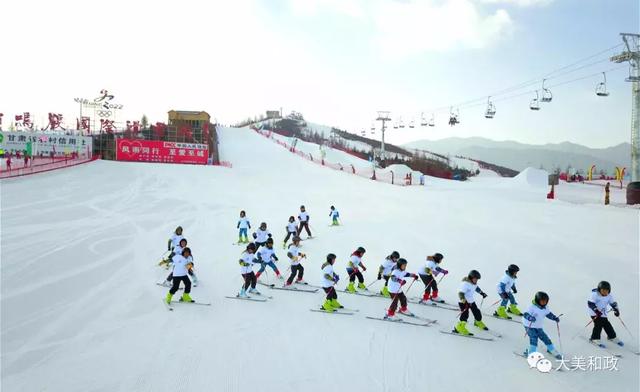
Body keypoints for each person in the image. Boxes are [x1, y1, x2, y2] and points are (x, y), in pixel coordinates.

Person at [522, 291, 562, 359]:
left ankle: (551, 349)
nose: (544, 303)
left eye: (545, 301)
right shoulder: (532, 307)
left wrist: (554, 318)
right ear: (538, 300)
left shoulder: (545, 307)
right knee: (534, 339)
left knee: (545, 338)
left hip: (538, 326)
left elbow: (548, 314)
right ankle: (531, 353)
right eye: (542, 301)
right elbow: (525, 314)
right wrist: (530, 318)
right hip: (529, 326)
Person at [587, 281, 623, 347]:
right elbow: (590, 304)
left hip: (603, 313)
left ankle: (612, 336)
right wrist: (596, 311)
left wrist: (616, 310)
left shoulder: (609, 296)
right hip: (594, 312)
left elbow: (613, 303)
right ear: (599, 289)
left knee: (606, 324)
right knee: (598, 323)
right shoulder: (595, 294)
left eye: (606, 290)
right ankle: (594, 338)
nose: (605, 292)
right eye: (603, 290)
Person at [454, 270, 488, 335]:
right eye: (475, 279)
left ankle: (478, 322)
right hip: (463, 301)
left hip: (471, 300)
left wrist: (482, 293)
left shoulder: (474, 284)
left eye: (477, 279)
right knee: (465, 314)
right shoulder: (465, 284)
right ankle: (459, 327)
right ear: (471, 277)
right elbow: (460, 293)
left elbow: (476, 288)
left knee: (477, 312)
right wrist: (464, 300)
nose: (476, 280)